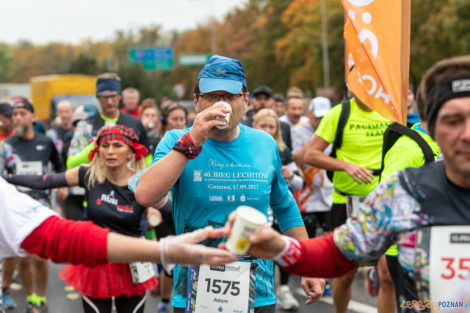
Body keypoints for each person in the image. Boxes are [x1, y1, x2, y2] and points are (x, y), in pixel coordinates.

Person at [228, 55, 470, 313]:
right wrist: (280, 247)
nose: (467, 134)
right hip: (347, 199)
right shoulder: (404, 192)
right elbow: (336, 253)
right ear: (430, 127)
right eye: (453, 121)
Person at [134, 55, 324, 313]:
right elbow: (145, 195)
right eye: (211, 96)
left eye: (229, 96)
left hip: (257, 287)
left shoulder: (265, 143)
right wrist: (194, 140)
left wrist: (309, 264)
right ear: (196, 100)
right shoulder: (175, 140)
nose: (220, 104)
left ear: (245, 100)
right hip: (191, 286)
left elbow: (285, 206)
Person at [2, 125, 234, 313]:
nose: (110, 151)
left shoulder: (142, 184)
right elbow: (46, 181)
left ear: (131, 152)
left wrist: (212, 228)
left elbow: (173, 211)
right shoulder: (89, 175)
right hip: (95, 261)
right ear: (98, 151)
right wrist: (6, 179)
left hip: (133, 262)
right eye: (105, 146)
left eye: (117, 146)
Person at [297, 94, 391, 313]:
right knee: (346, 274)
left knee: (387, 273)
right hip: (347, 201)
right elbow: (310, 155)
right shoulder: (340, 112)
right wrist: (347, 166)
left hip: (385, 201)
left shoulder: (390, 110)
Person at [0, 98, 65, 313]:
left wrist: (62, 185)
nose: (17, 117)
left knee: (40, 257)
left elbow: (59, 166)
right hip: (15, 210)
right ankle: (30, 297)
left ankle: (41, 296)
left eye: (22, 113)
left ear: (33, 117)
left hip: (40, 208)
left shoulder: (45, 142)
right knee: (23, 257)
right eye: (15, 114)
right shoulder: (7, 145)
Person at [252, 108, 302, 311]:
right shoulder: (248, 148)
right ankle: (263, 287)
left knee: (282, 247)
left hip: (281, 206)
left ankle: (282, 288)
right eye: (263, 125)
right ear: (254, 126)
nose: (267, 130)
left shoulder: (282, 150)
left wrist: (289, 175)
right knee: (263, 250)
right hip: (259, 209)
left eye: (271, 126)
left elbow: (300, 183)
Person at [242, 85, 293, 150]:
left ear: (272, 102)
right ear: (252, 101)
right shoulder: (243, 126)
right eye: (259, 98)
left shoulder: (284, 127)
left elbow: (288, 154)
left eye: (266, 99)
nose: (262, 102)